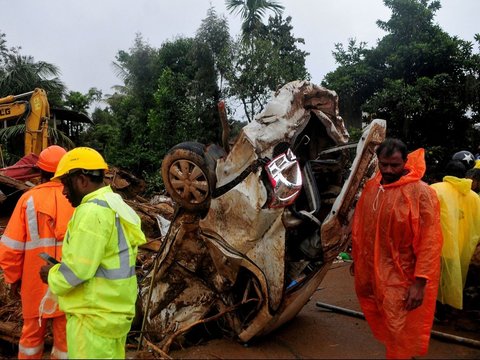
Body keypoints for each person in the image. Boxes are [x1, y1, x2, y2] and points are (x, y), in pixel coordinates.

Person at [39, 147, 146, 359]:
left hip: (92, 318)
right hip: (114, 315)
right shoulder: (115, 205)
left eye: (65, 184)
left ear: (81, 180)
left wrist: (52, 274)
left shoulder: (90, 212)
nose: (64, 192)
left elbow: (76, 273)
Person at [351, 138, 443, 359]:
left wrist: (420, 282)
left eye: (395, 165)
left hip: (403, 275)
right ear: (378, 162)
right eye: (384, 164)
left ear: (405, 162)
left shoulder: (421, 193)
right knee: (386, 321)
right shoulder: (373, 188)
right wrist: (358, 260)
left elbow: (429, 242)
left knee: (399, 327)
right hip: (375, 270)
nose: (389, 170)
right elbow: (362, 228)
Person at [0, 145, 73, 359]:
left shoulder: (27, 200)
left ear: (40, 172)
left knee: (31, 336)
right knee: (65, 339)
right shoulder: (76, 200)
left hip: (34, 283)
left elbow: (10, 247)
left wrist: (12, 279)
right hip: (68, 282)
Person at [430, 160, 480, 311]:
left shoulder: (435, 189)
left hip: (437, 247)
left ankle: (434, 312)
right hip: (461, 249)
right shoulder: (474, 197)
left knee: (433, 282)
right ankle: (446, 311)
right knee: (451, 281)